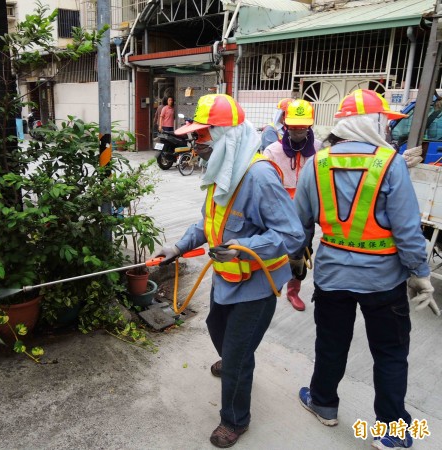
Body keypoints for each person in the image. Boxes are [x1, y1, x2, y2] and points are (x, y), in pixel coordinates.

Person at [293, 89, 441, 450]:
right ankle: (391, 431)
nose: (386, 128)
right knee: (390, 353)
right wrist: (420, 273)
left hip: (332, 277)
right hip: (383, 281)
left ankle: (324, 403)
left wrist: (297, 262)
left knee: (331, 344)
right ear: (371, 122)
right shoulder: (389, 163)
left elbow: (300, 224)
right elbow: (406, 229)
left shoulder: (317, 162)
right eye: (383, 121)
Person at [155, 94, 305, 448]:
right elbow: (208, 222)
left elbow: (292, 234)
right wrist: (177, 248)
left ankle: (235, 419)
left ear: (227, 137)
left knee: (237, 355)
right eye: (195, 136)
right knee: (215, 325)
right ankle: (238, 359)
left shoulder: (259, 177)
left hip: (258, 282)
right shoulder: (223, 172)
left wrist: (245, 247)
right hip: (227, 276)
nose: (196, 144)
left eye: (203, 136)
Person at [263, 99, 322, 312]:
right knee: (274, 255)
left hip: (306, 215)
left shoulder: (319, 149)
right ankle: (269, 293)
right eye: (294, 126)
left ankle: (293, 292)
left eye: (303, 127)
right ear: (285, 124)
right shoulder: (272, 151)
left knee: (302, 255)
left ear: (310, 125)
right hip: (279, 213)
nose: (298, 131)